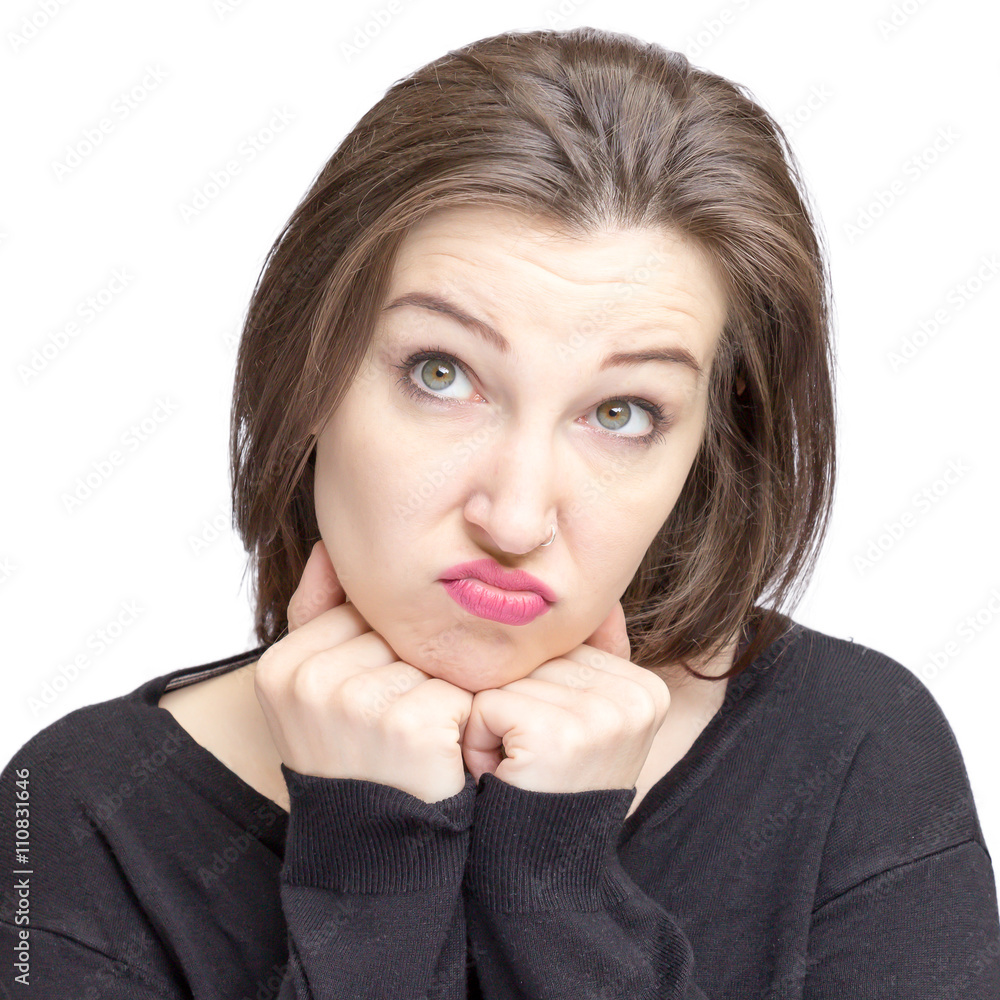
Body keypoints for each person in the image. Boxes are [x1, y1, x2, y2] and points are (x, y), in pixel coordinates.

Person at [2, 24, 998, 999]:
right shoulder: (78, 816)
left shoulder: (852, 752)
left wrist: (559, 893)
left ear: (710, 444)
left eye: (622, 412)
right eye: (441, 374)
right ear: (309, 372)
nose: (516, 519)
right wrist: (375, 867)